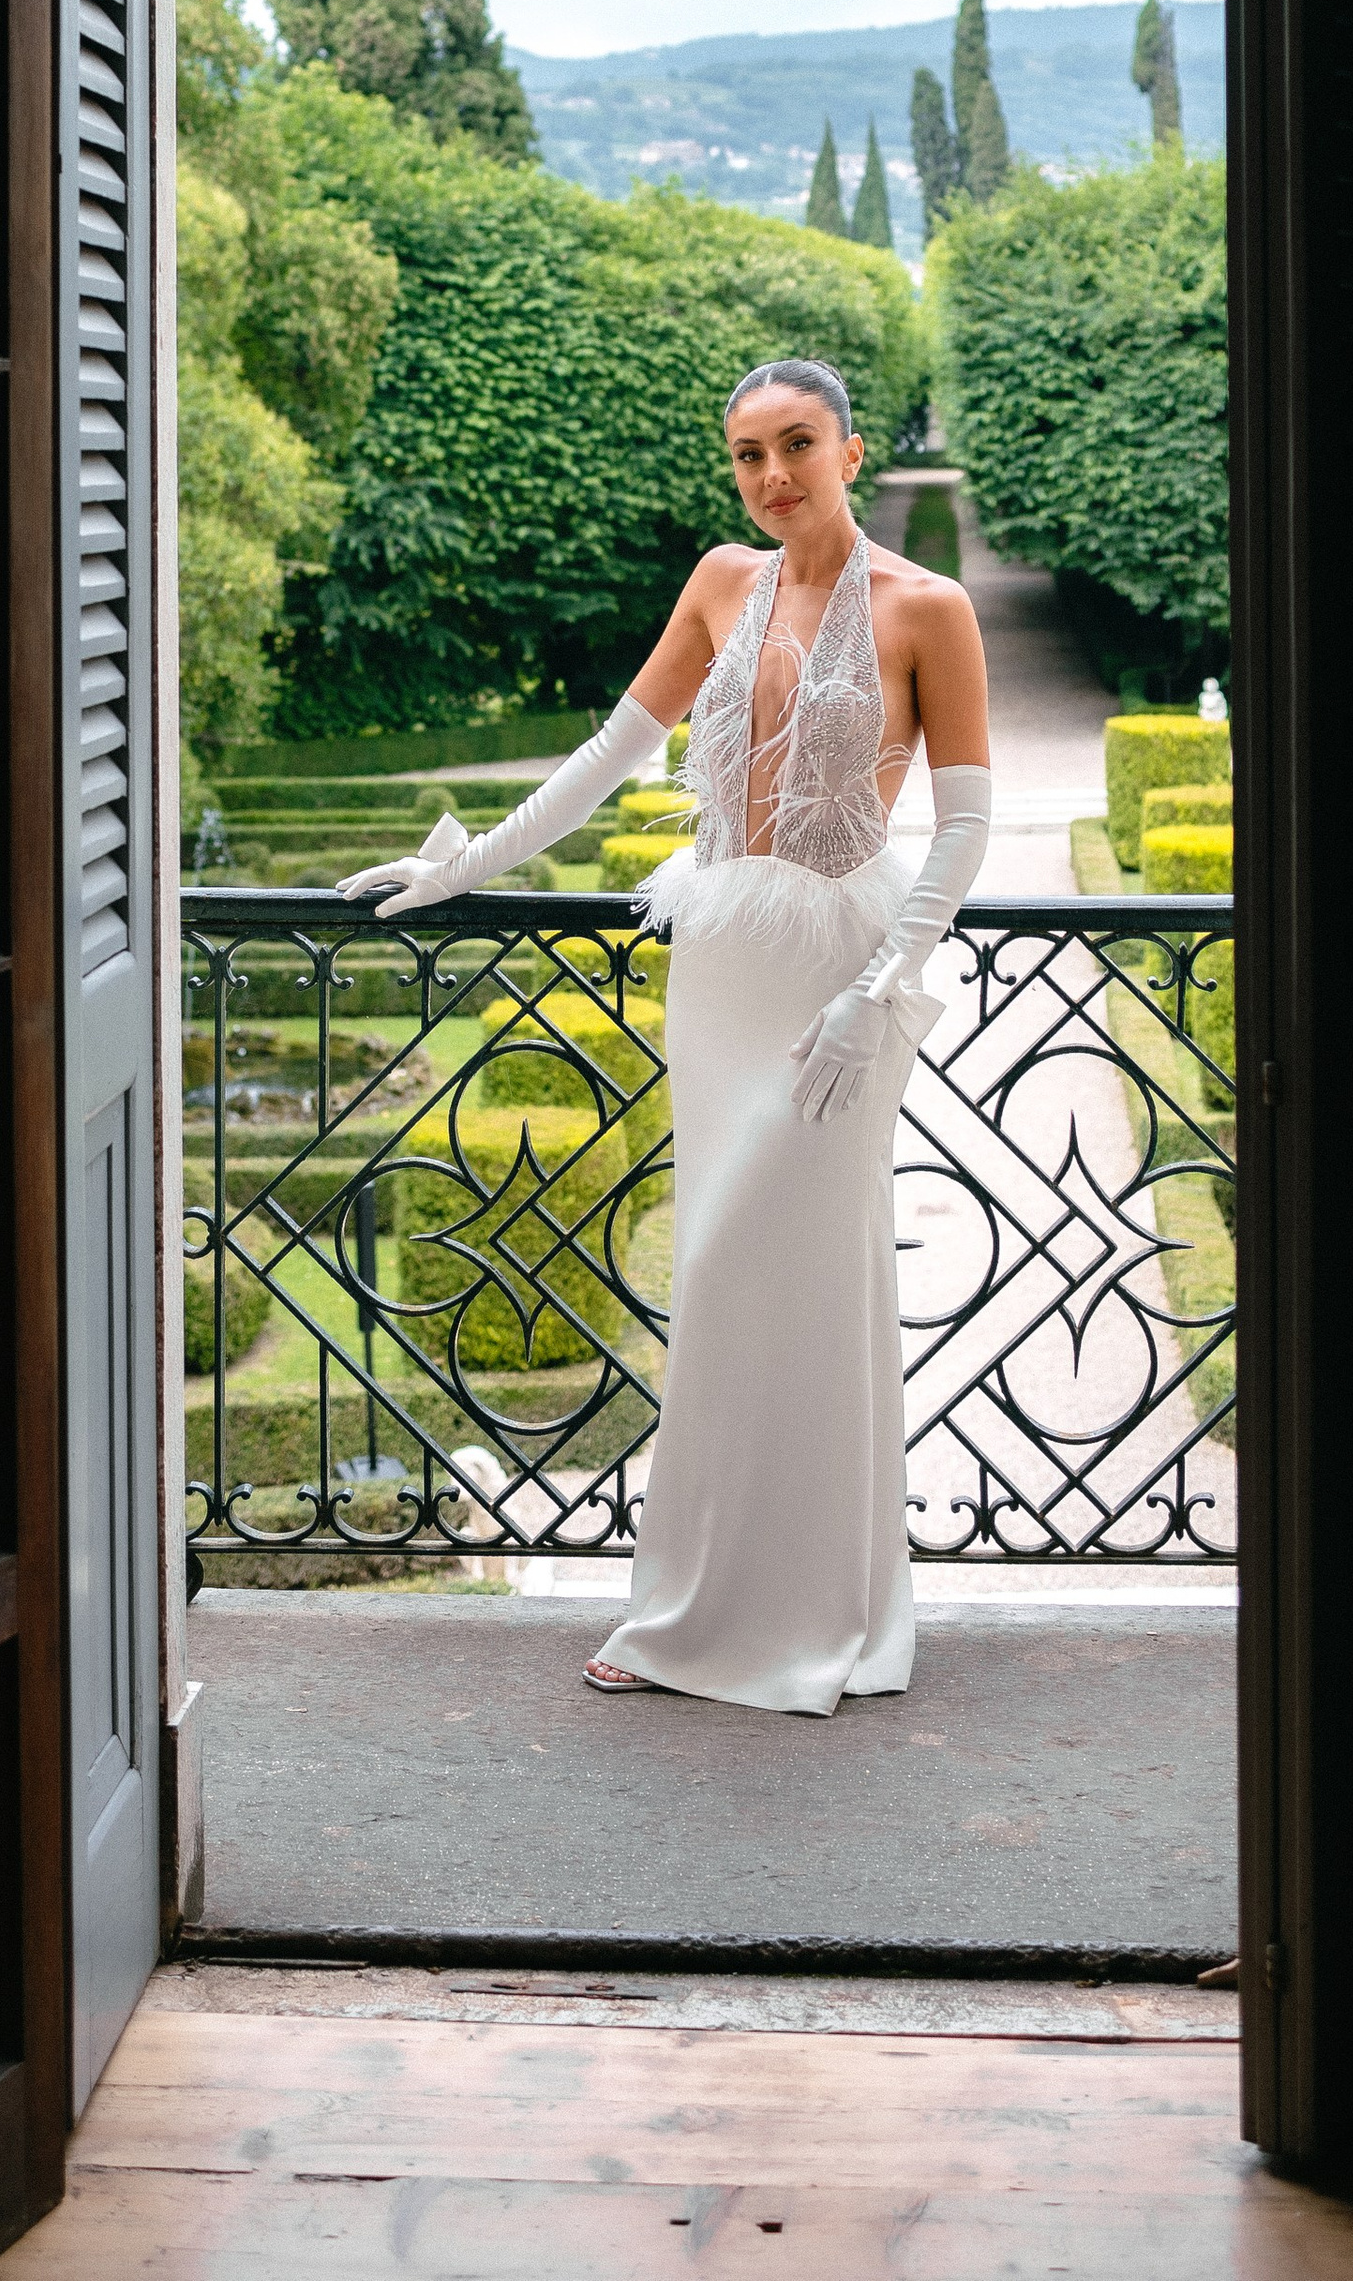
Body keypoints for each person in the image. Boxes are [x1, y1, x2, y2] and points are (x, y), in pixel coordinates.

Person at [339, 357, 991, 1714]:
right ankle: (690, 1612)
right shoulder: (718, 584)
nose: (772, 477)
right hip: (723, 967)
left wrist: (880, 990)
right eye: (748, 453)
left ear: (852, 453)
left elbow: (969, 822)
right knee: (720, 1282)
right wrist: (468, 866)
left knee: (801, 1279)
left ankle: (824, 1615)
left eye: (797, 445)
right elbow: (609, 752)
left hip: (836, 977)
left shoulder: (929, 610)